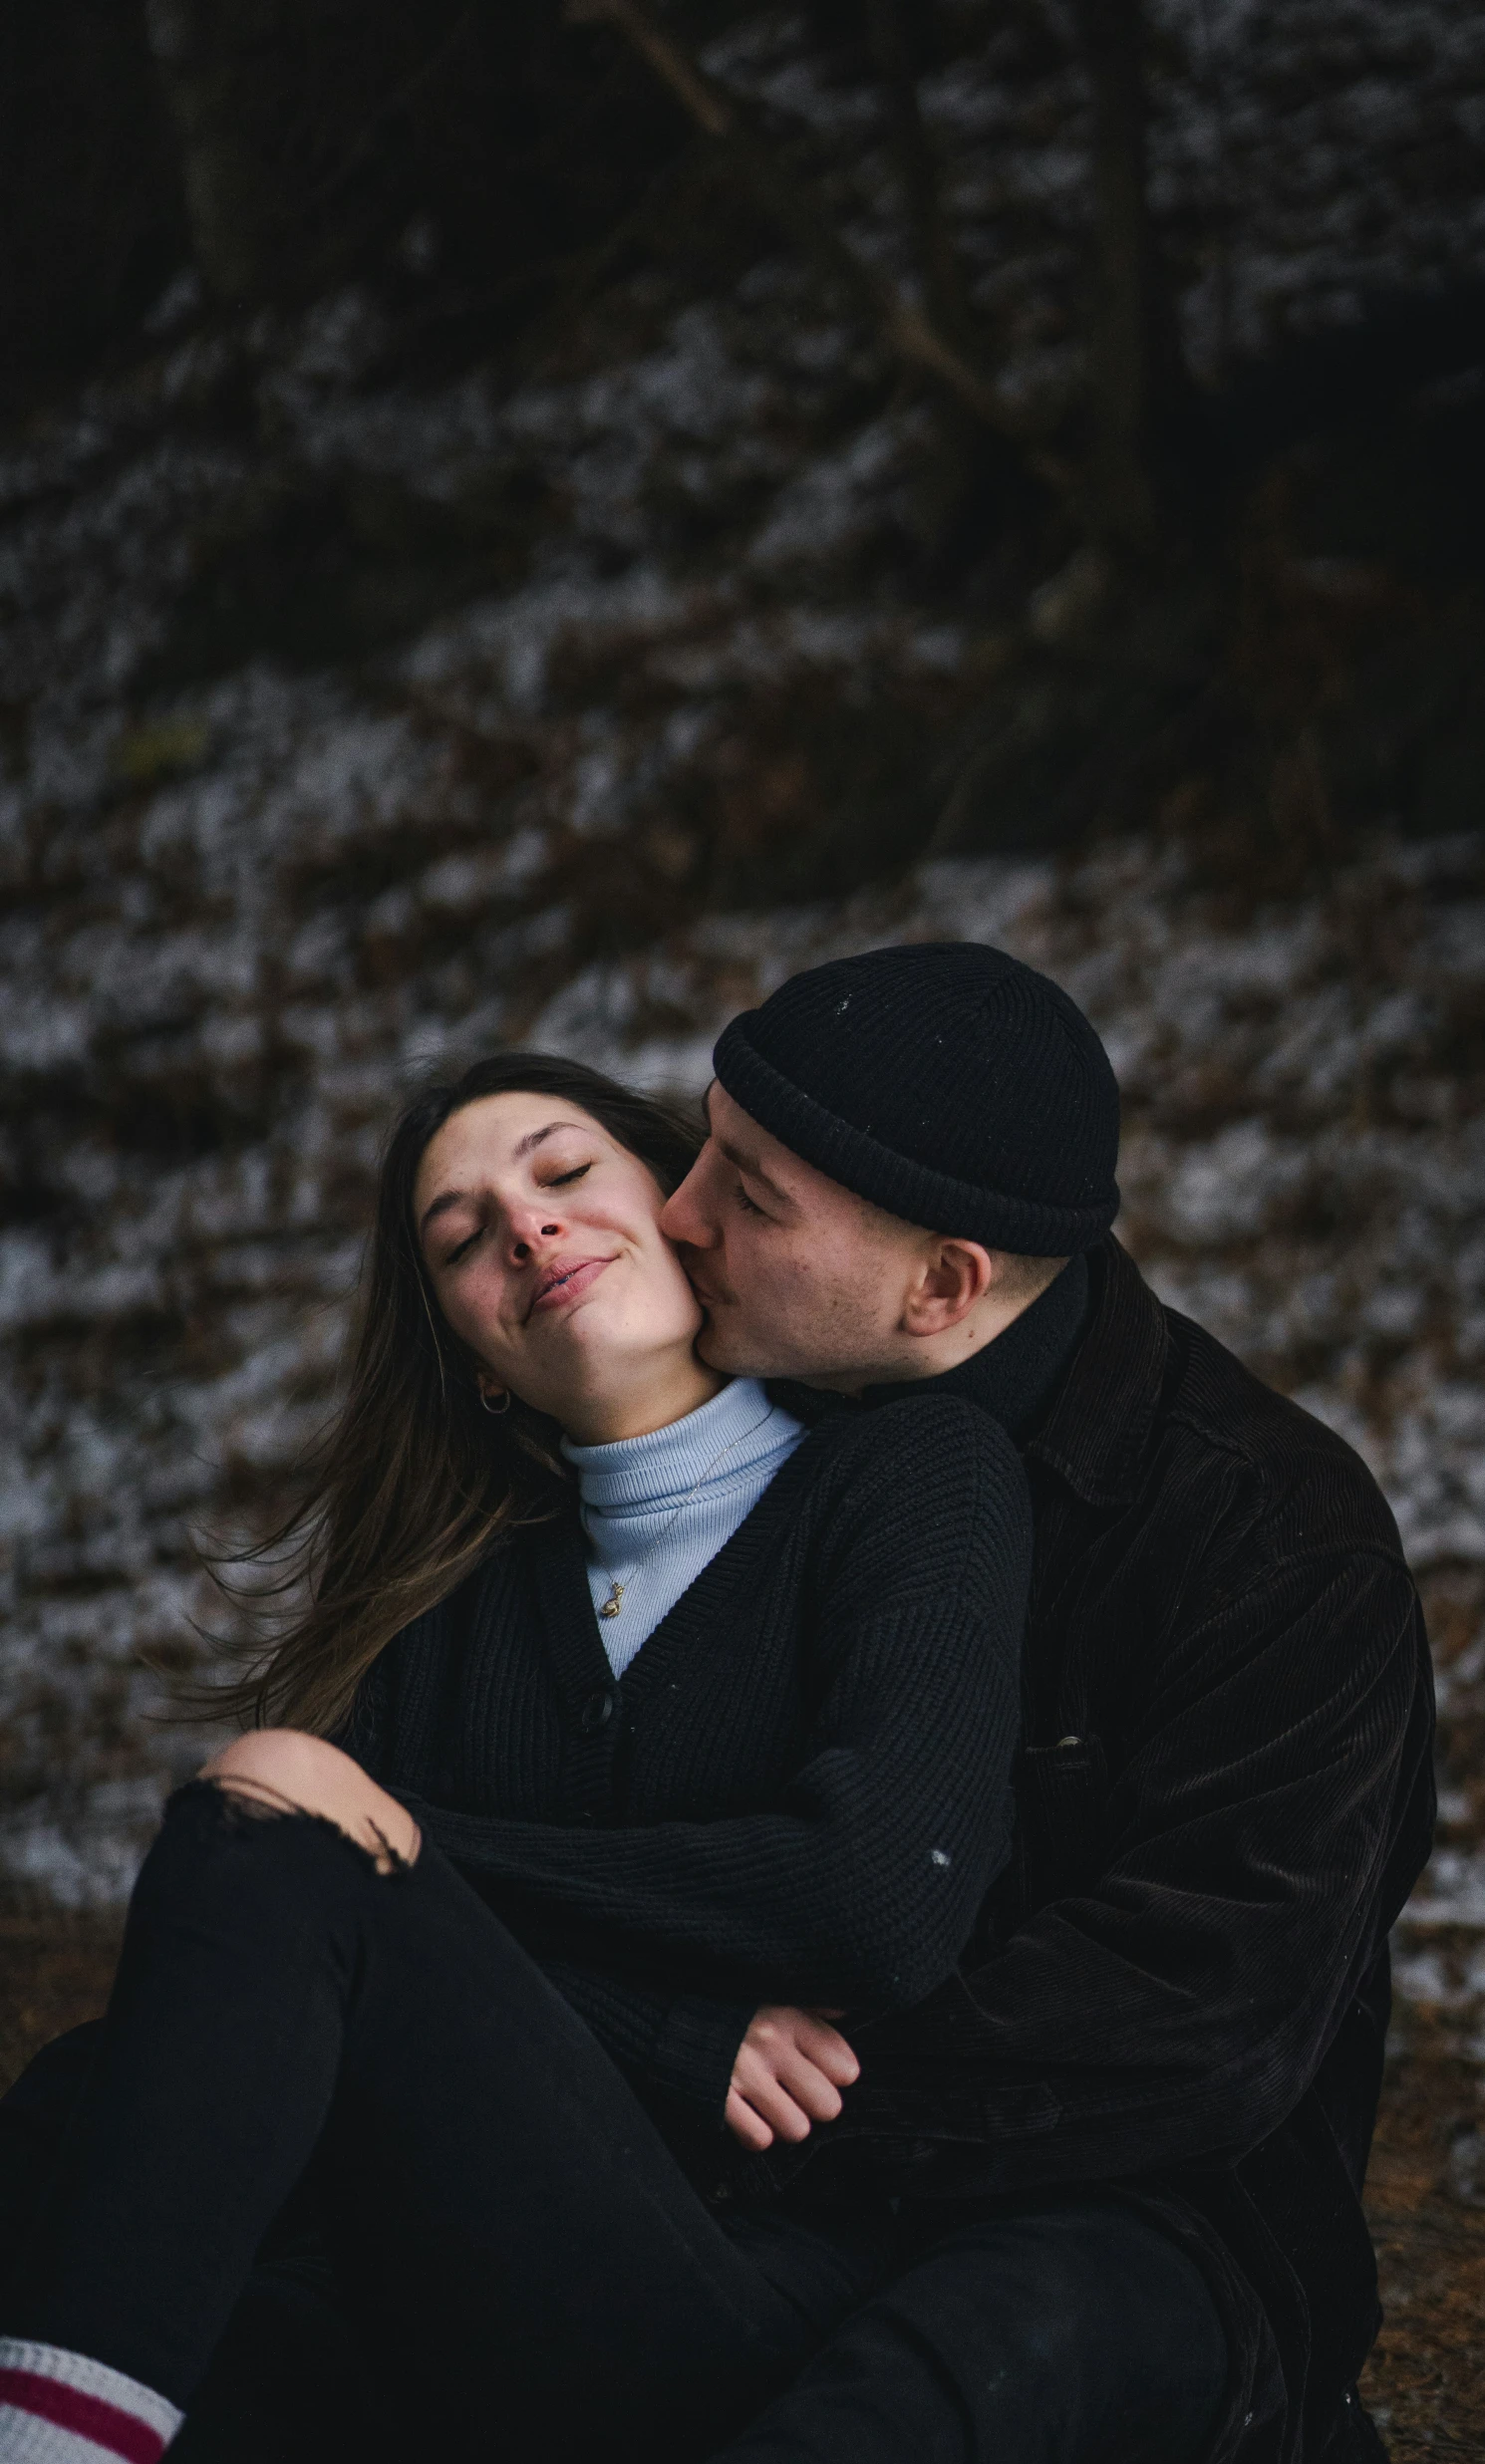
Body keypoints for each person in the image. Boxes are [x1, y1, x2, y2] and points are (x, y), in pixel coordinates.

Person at [383, 943, 1432, 2464]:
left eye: (745, 1196)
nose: (676, 1213)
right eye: (706, 1143)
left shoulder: (1265, 1538)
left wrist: (741, 2102)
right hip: (727, 2168)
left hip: (1125, 2228)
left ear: (940, 1285)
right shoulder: (751, 1413)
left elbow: (1199, 2019)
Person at [0, 1053, 1036, 2464]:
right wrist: (658, 2031)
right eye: (462, 1242)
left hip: (739, 2310)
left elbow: (874, 1894)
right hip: (441, 2300)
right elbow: (338, 1974)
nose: (526, 1232)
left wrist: (391, 1837)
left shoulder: (908, 1480)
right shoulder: (452, 1608)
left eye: (560, 1177)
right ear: (475, 1357)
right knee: (77, 2111)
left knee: (274, 1830)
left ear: (682, 1209)